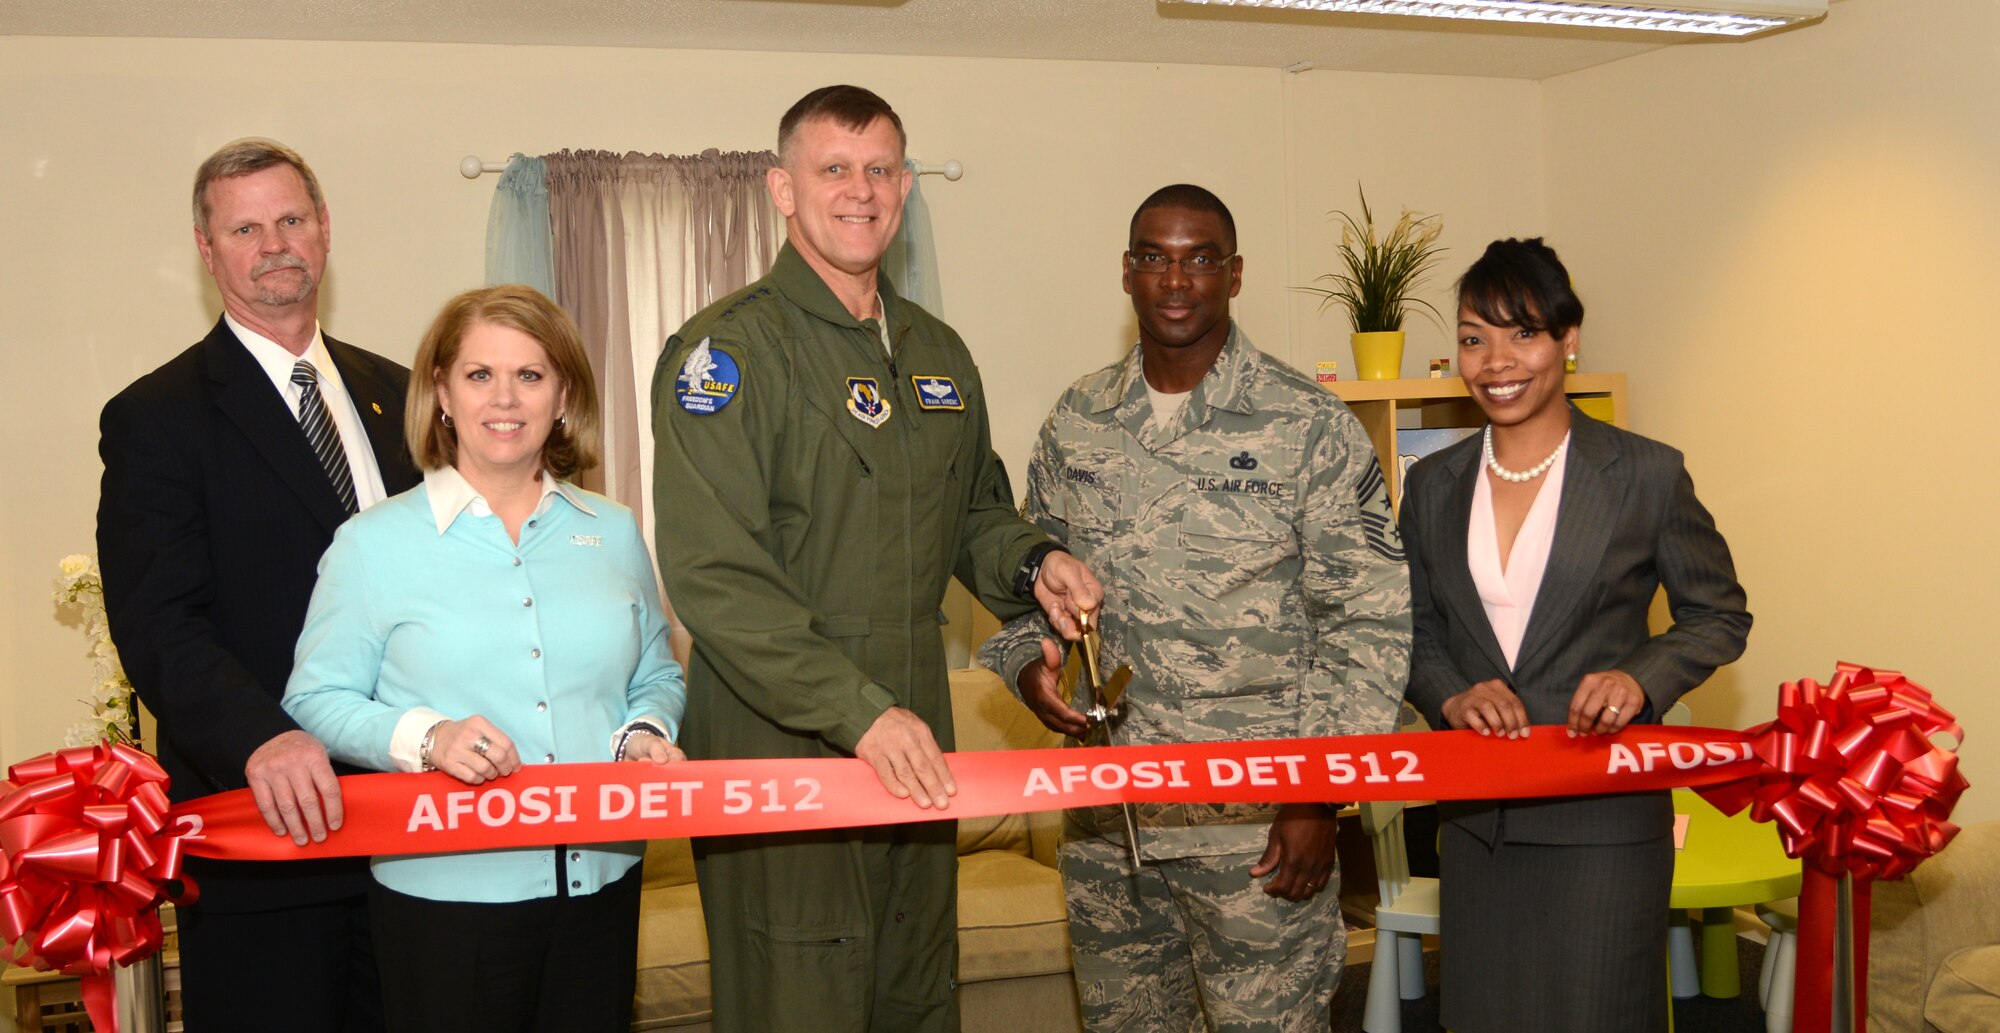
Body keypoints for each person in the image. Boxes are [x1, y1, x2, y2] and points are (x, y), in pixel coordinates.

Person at [649, 84, 1101, 1033]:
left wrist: (1033, 565)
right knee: (799, 1001)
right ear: (782, 189)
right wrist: (857, 711)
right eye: (834, 169)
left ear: (904, 186)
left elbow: (974, 507)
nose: (862, 190)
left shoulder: (939, 352)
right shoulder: (726, 352)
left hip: (914, 726)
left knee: (914, 987)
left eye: (882, 169)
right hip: (784, 737)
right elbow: (716, 577)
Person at [978, 184, 1411, 1032]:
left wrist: (1318, 796)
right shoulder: (1079, 420)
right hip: (1113, 828)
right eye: (1156, 258)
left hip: (1255, 835)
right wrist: (1029, 665)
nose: (1177, 280)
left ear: (1235, 275)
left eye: (1200, 258)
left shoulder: (1307, 423)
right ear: (1128, 274)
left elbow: (1367, 622)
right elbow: (1032, 578)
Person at [282, 284, 686, 1033]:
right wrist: (426, 736)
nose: (506, 397)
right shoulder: (372, 544)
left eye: (531, 375)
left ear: (563, 395)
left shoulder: (617, 529)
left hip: (601, 882)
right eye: (479, 374)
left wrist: (643, 732)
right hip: (443, 895)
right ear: (440, 391)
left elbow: (656, 671)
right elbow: (316, 696)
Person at [96, 137, 416, 1033]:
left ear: (323, 229)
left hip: (413, 834)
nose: (273, 242)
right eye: (245, 227)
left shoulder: (404, 392)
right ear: (208, 250)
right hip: (265, 831)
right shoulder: (156, 418)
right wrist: (264, 737)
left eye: (290, 219)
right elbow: (160, 624)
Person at [1399, 238, 1752, 1033]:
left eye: (1522, 332)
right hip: (1475, 822)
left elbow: (1719, 613)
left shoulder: (1647, 474)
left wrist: (1642, 677)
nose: (1496, 360)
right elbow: (1412, 628)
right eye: (1472, 337)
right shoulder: (1431, 485)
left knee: (1597, 1015)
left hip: (1603, 819)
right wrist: (1451, 691)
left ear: (1569, 337)